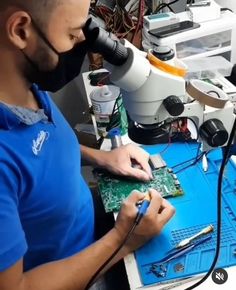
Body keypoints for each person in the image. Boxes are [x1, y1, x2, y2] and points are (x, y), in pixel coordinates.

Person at [0, 1, 175, 290]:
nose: (83, 38)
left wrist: (102, 157)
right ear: (20, 30)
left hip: (93, 235)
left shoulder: (19, 83)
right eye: (72, 33)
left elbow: (38, 152)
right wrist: (123, 240)